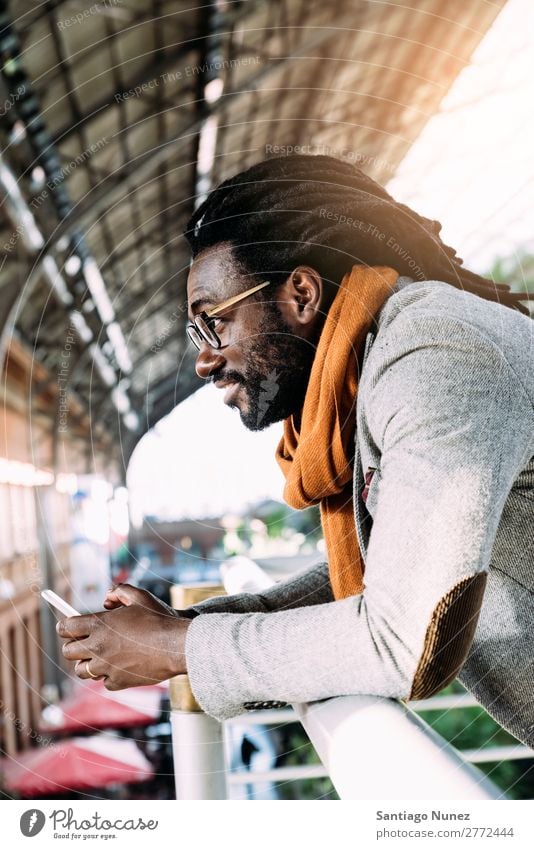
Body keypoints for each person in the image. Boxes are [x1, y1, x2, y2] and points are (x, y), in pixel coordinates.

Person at [57, 155, 534, 747]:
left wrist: (175, 648)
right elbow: (374, 570)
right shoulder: (378, 365)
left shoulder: (436, 354)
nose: (204, 361)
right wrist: (185, 628)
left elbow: (409, 638)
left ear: (301, 294)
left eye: (214, 323)